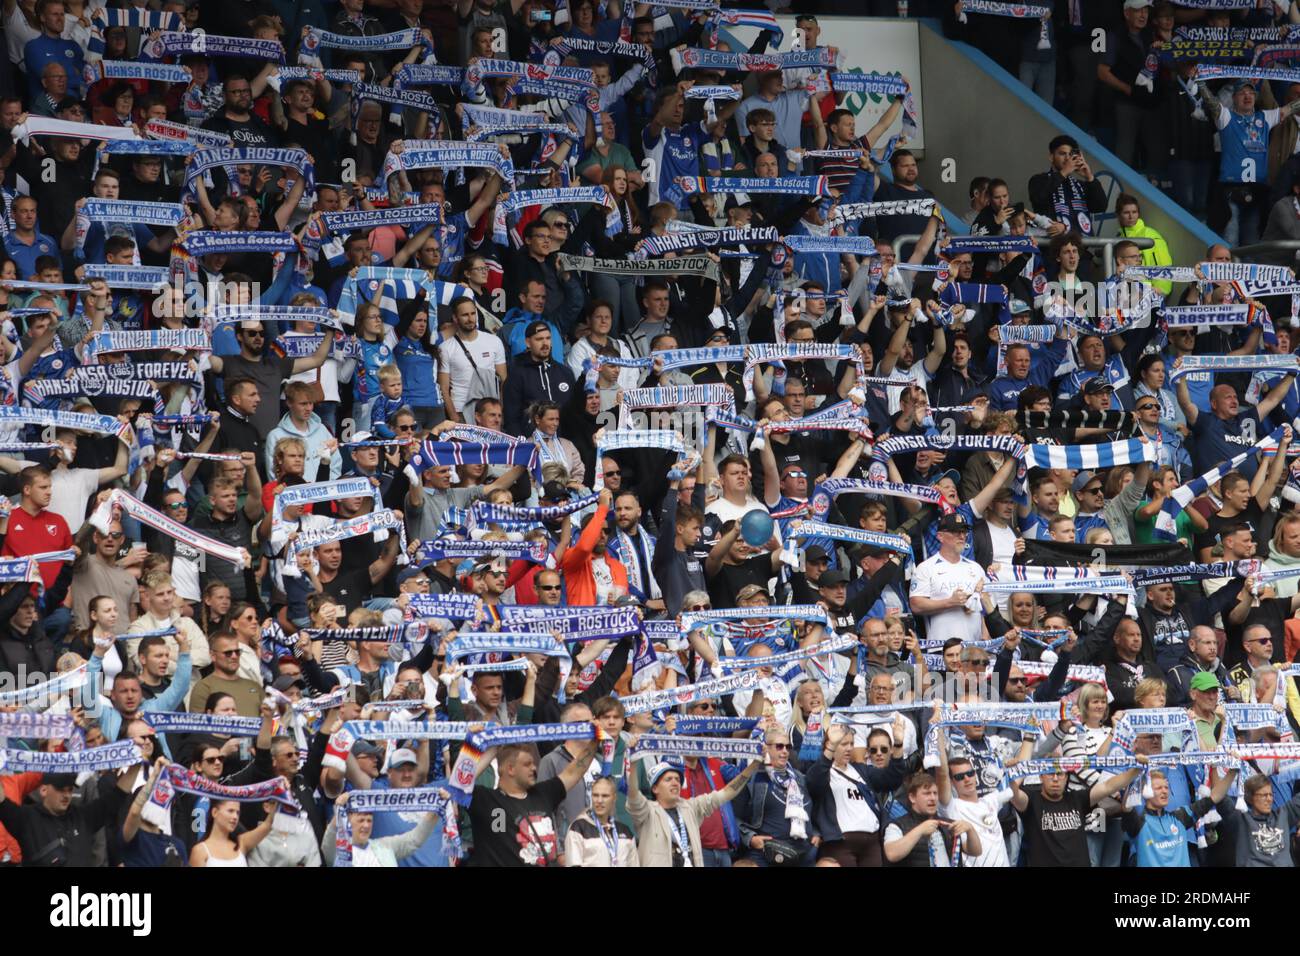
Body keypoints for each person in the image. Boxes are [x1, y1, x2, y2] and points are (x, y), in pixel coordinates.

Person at [626, 749, 760, 868]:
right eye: (668, 779)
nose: (675, 782)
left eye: (677, 779)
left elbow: (727, 792)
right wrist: (633, 762)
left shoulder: (690, 807)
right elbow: (632, 793)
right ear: (654, 788)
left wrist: (754, 765)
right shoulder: (647, 811)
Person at [563, 776, 639, 867]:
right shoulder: (578, 828)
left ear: (614, 798)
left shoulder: (625, 832)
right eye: (595, 795)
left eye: (605, 796)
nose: (599, 800)